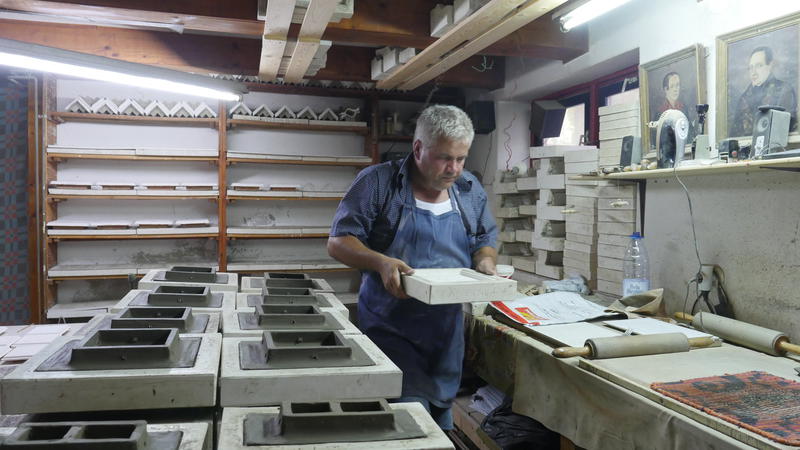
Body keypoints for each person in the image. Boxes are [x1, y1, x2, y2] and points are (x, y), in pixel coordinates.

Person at [327, 104, 498, 430]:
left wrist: (485, 261)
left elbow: (483, 238)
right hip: (390, 329)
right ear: (418, 149)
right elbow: (338, 241)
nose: (454, 168)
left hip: (446, 335)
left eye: (461, 159)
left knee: (439, 421)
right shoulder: (378, 183)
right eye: (444, 158)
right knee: (405, 422)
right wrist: (380, 261)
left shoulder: (468, 189)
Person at [731, 45, 797, 137]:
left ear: (770, 66)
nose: (753, 72)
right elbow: (734, 134)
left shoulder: (784, 90)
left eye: (758, 66)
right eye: (751, 67)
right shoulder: (743, 98)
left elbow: (787, 129)